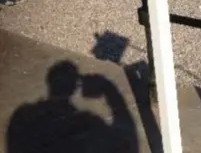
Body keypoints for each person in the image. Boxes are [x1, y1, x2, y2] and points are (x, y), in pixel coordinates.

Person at [6, 61, 138, 153]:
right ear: (75, 87)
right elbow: (128, 144)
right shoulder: (87, 124)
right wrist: (109, 89)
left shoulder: (22, 116)